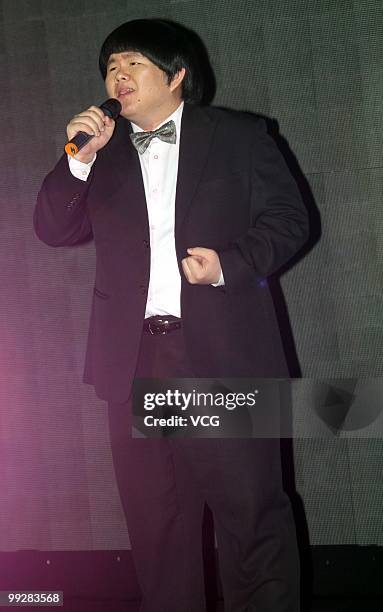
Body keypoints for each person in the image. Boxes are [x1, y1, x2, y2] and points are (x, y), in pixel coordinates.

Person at [34, 18, 309, 612]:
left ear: (177, 75)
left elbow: (291, 221)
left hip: (219, 354)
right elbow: (53, 229)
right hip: (135, 360)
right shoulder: (99, 156)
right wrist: (78, 159)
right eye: (111, 67)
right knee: (158, 526)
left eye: (133, 63)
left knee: (249, 514)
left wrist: (230, 264)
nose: (119, 75)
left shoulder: (239, 137)